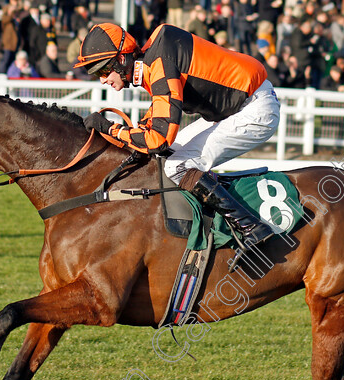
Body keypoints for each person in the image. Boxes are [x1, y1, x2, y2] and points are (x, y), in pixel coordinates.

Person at [75, 23, 281, 264]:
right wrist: (124, 133)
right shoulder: (155, 56)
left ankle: (251, 227)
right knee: (169, 158)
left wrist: (111, 129)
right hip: (238, 106)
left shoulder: (159, 61)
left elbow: (158, 140)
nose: (102, 80)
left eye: (103, 71)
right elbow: (154, 129)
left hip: (254, 110)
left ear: (121, 59)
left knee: (176, 166)